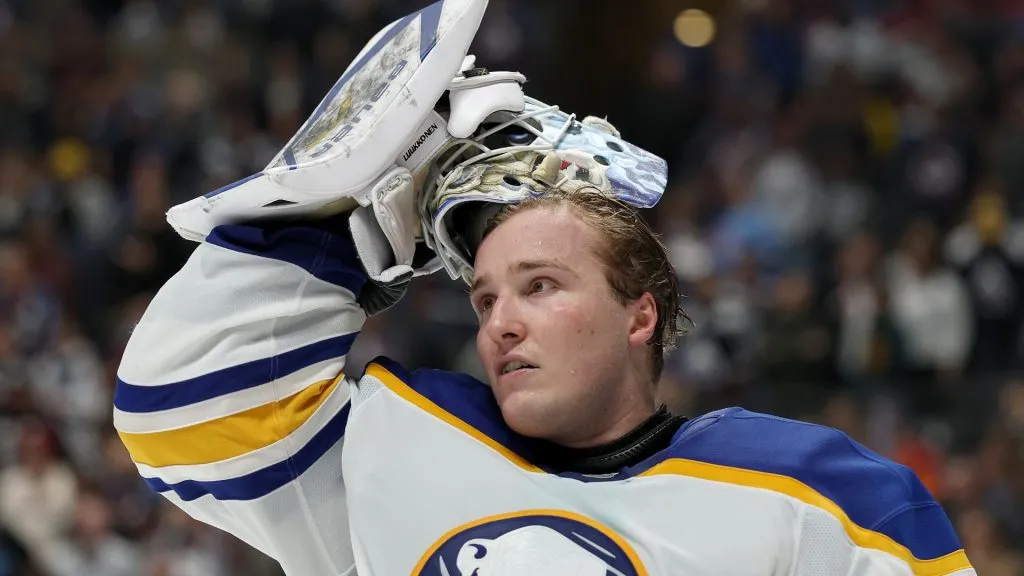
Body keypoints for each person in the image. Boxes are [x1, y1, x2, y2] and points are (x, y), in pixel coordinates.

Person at [113, 173, 975, 573]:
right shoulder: (400, 434)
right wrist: (344, 218)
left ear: (641, 315)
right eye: (485, 299)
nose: (502, 322)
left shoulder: (826, 496)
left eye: (541, 286)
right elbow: (172, 409)